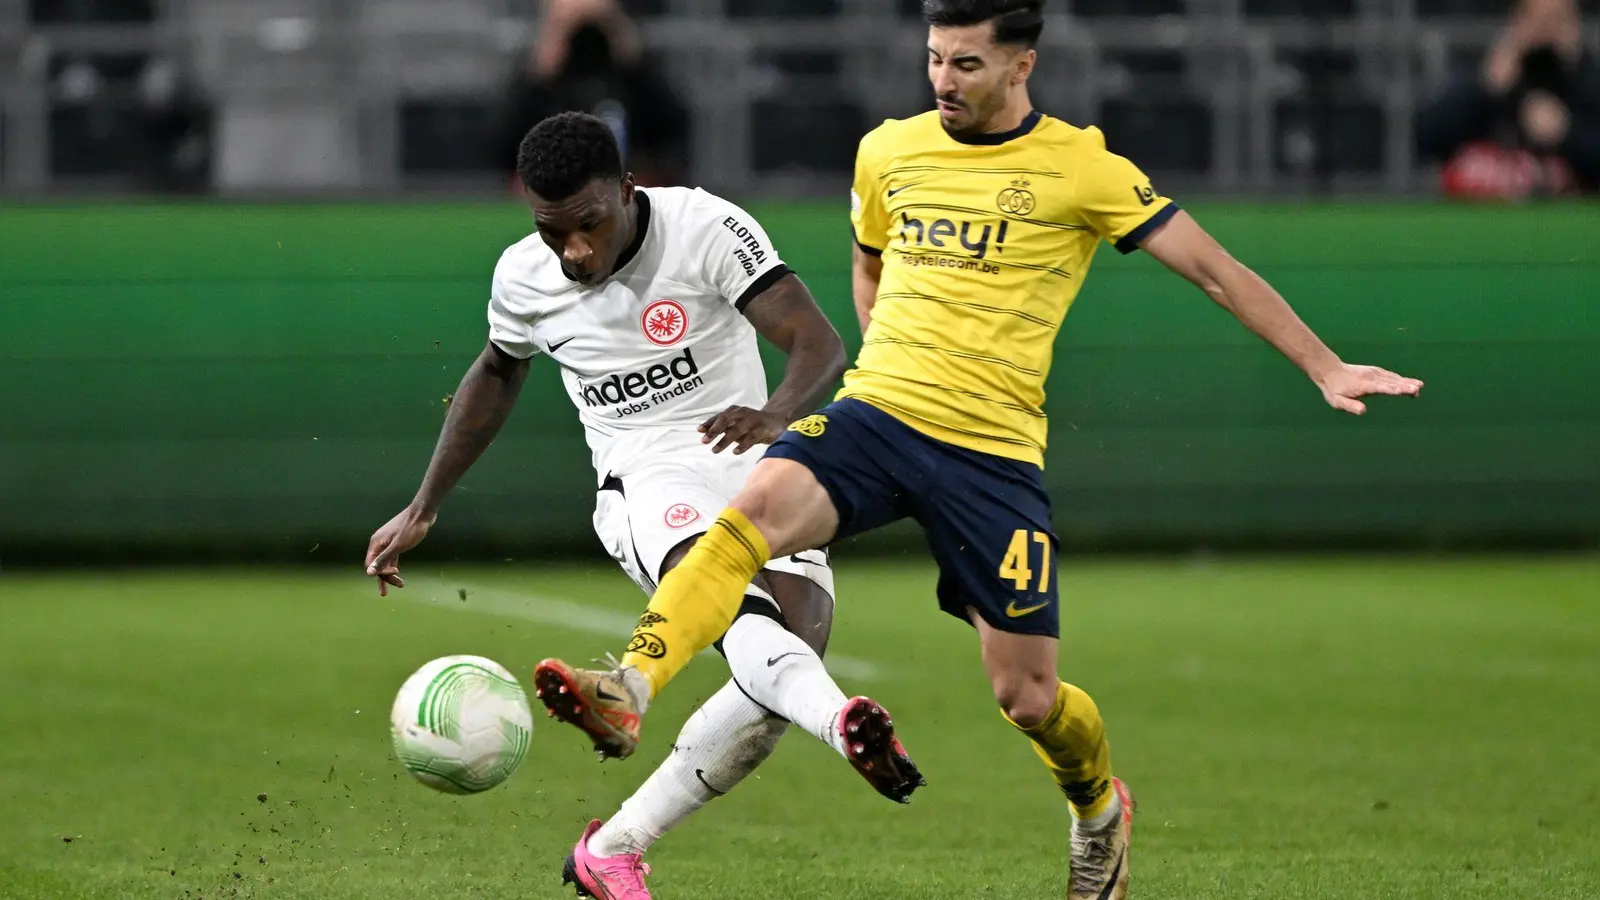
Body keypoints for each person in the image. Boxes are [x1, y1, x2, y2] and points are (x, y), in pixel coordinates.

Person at [527, 1, 1425, 897]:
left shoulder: (1082, 167)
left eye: (965, 65)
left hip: (991, 454)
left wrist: (1323, 365)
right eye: (933, 61)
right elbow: (869, 255)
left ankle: (1098, 809)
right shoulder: (889, 150)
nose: (943, 82)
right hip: (880, 415)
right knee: (748, 516)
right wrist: (881, 346)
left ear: (1020, 67)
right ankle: (631, 685)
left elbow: (1213, 268)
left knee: (1027, 698)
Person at [364, 111, 922, 900]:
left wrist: (776, 415)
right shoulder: (524, 276)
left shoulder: (704, 226)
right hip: (646, 476)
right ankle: (833, 726)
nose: (575, 251)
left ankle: (615, 846)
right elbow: (497, 372)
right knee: (741, 620)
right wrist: (424, 504)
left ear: (628, 190)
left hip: (751, 461)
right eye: (554, 233)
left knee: (784, 665)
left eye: (589, 224)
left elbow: (818, 342)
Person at [488, 0, 691, 190]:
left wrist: (632, 61)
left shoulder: (631, 80)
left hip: (625, 187)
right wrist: (540, 72)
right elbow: (501, 149)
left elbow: (672, 133)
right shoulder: (540, 82)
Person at [1416, 0, 1600, 196]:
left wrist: (1566, 131)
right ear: (1516, 20)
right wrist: (1484, 89)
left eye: (1558, 19)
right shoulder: (1486, 72)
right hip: (1480, 215)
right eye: (1537, 18)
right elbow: (1426, 137)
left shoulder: (1588, 81)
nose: (1546, 28)